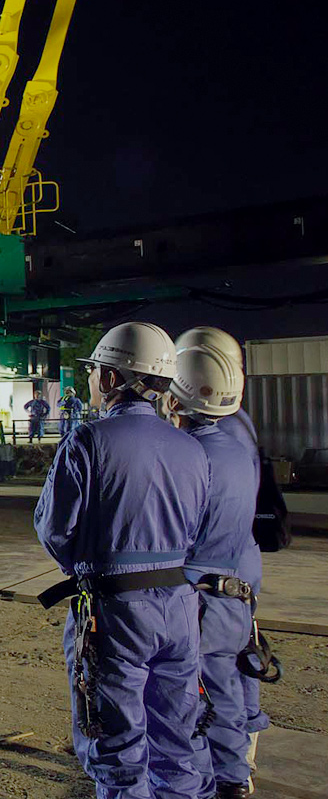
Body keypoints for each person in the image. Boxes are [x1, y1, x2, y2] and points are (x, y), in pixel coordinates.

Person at [34, 321, 210, 799]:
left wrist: (88, 567)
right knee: (177, 740)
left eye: (94, 371)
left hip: (115, 612)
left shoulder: (88, 442)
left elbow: (54, 531)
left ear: (111, 379)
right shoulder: (192, 448)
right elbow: (194, 531)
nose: (90, 380)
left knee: (116, 745)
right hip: (179, 608)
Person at [176, 326, 270, 783]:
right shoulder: (237, 429)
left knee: (207, 678)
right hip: (239, 562)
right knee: (236, 666)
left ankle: (223, 773)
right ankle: (240, 759)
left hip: (209, 575)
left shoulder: (200, 446)